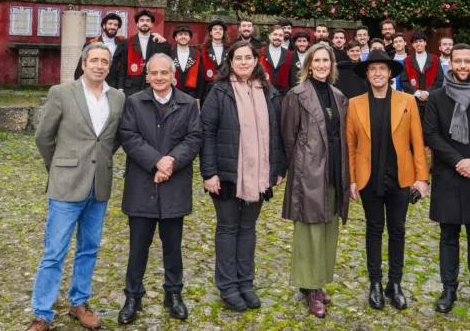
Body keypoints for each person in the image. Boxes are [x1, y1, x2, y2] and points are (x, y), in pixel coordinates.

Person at [26, 43, 126, 331]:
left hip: (100, 185)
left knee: (89, 249)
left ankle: (79, 302)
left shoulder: (118, 98)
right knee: (54, 251)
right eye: (93, 60)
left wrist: (102, 160)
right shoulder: (62, 93)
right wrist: (57, 167)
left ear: (109, 66)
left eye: (104, 61)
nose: (99, 65)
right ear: (83, 64)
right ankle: (42, 313)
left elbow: (115, 138)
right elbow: (43, 136)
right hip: (66, 185)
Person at [199, 41, 287, 311]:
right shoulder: (219, 92)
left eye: (248, 58)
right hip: (226, 173)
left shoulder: (269, 92)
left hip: (258, 174)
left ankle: (245, 283)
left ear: (256, 60)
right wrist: (209, 172)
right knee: (228, 228)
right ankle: (227, 286)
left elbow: (277, 133)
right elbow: (207, 133)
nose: (244, 62)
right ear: (231, 61)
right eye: (238, 58)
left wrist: (277, 168)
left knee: (248, 229)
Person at [117, 54, 203, 324]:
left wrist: (170, 164)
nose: (158, 77)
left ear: (173, 75)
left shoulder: (188, 104)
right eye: (153, 73)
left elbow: (194, 138)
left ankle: (174, 293)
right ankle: (133, 296)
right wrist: (156, 161)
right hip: (142, 184)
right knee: (138, 246)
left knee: (173, 247)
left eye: (163, 73)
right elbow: (128, 136)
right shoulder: (134, 102)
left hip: (174, 184)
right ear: (147, 76)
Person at [422, 43, 470, 316]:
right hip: (448, 173)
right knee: (448, 236)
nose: (463, 66)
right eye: (458, 61)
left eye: (468, 61)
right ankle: (449, 289)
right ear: (451, 65)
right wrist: (458, 161)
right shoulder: (437, 98)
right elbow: (431, 134)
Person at [346, 50, 429, 311]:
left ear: (390, 72)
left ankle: (395, 283)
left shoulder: (407, 101)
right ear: (367, 75)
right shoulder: (354, 104)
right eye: (373, 69)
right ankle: (375, 283)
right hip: (368, 178)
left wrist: (422, 178)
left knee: (397, 230)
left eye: (382, 68)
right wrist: (351, 179)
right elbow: (350, 145)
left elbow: (418, 142)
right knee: (373, 230)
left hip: (400, 177)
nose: (378, 73)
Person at [281, 43, 350, 318]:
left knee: (329, 230)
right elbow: (288, 138)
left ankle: (318, 281)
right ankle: (309, 287)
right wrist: (299, 170)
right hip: (308, 173)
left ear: (332, 65)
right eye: (317, 60)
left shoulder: (338, 95)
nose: (322, 65)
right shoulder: (297, 95)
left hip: (334, 170)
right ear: (308, 64)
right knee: (310, 231)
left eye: (326, 60)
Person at [124, 10, 170, 96]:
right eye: (142, 20)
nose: (145, 23)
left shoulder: (158, 41)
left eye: (148, 21)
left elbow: (165, 63)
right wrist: (120, 87)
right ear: (137, 24)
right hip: (132, 87)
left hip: (151, 85)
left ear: (152, 24)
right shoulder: (128, 42)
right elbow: (123, 66)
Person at [74, 13, 126, 89]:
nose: (112, 27)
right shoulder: (92, 43)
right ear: (104, 26)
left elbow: (123, 68)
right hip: (94, 85)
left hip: (114, 86)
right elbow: (81, 67)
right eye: (110, 24)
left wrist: (120, 87)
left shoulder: (122, 44)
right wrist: (78, 87)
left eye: (115, 25)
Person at [401, 32, 442, 120]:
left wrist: (427, 93)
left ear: (425, 43)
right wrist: (417, 93)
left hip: (430, 100)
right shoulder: (407, 61)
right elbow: (403, 81)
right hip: (414, 100)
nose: (418, 44)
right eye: (415, 42)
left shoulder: (435, 59)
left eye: (420, 41)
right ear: (412, 44)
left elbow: (439, 80)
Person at [170, 24, 205, 103]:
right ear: (176, 38)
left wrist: (198, 96)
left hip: (191, 94)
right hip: (172, 93)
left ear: (189, 37)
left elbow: (201, 76)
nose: (183, 37)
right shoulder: (169, 53)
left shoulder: (197, 54)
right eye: (180, 34)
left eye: (186, 34)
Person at [259, 25, 294, 95]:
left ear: (283, 37)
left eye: (280, 35)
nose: (277, 37)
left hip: (283, 95)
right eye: (275, 34)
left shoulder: (289, 54)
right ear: (269, 36)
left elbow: (292, 77)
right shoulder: (260, 52)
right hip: (264, 93)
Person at [200, 19, 229, 101]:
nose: (218, 31)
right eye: (215, 29)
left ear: (223, 33)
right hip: (208, 89)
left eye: (220, 29)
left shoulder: (230, 49)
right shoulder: (203, 49)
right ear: (211, 32)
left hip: (225, 88)